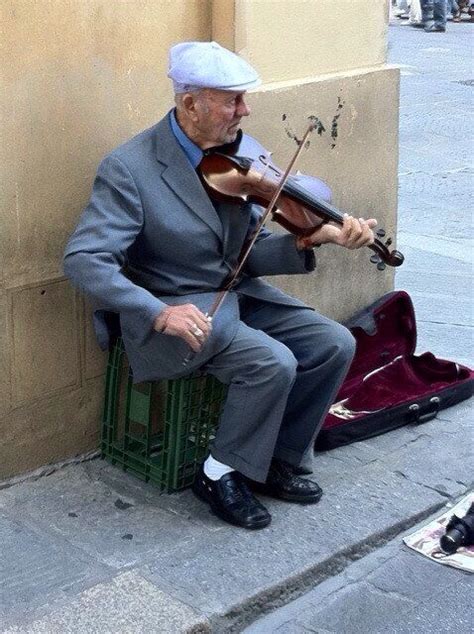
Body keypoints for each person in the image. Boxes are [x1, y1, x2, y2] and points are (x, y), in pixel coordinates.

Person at [64, 42, 376, 530]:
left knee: (333, 343)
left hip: (236, 295)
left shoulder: (242, 157)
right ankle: (218, 473)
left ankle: (275, 458)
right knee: (272, 362)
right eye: (232, 100)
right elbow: (84, 258)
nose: (245, 110)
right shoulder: (131, 168)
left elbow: (249, 253)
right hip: (177, 313)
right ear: (191, 104)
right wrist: (156, 310)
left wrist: (316, 238)